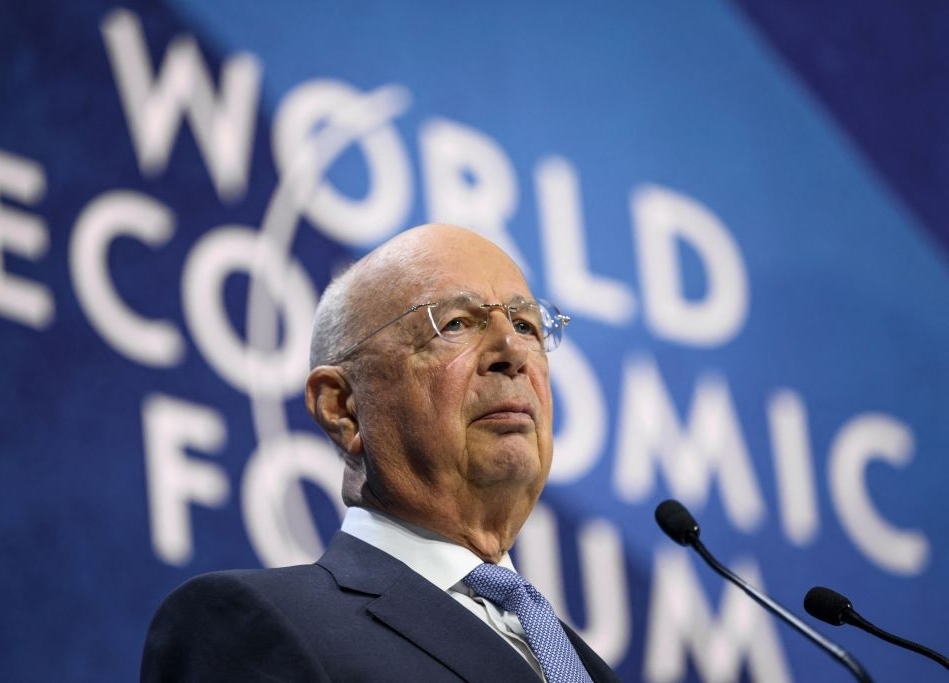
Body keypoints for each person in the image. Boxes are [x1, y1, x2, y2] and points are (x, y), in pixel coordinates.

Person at [140, 224, 621, 682]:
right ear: (343, 406)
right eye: (455, 324)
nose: (511, 350)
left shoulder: (581, 663)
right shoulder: (251, 626)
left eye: (526, 325)